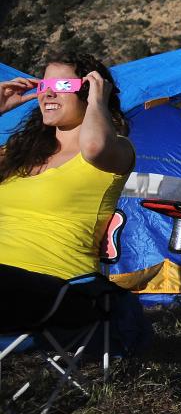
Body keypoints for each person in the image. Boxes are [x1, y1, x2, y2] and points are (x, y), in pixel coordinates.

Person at [0, 53, 135, 327]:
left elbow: (95, 146)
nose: (48, 93)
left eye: (62, 86)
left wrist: (99, 99)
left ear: (87, 90)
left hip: (59, 287)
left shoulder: (115, 150)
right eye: (43, 85)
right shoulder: (19, 153)